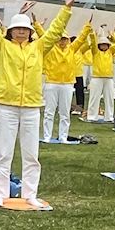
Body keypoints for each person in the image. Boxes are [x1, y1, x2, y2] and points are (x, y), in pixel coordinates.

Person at [0, 0, 74, 208]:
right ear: (10, 31)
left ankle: (30, 194)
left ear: (30, 32)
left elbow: (55, 32)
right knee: (4, 153)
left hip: (31, 107)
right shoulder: (1, 46)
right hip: (7, 106)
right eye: (18, 29)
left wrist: (66, 9)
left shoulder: (38, 47)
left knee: (31, 155)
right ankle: (0, 193)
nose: (21, 32)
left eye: (25, 29)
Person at [37, 10, 85, 143]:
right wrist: (36, 24)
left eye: (64, 39)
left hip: (68, 84)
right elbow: (43, 35)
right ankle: (47, 137)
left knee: (64, 113)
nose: (62, 41)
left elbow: (81, 39)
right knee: (49, 112)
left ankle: (63, 137)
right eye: (60, 38)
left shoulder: (72, 49)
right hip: (51, 83)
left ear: (67, 39)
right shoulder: (51, 49)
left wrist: (88, 27)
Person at [83, 24, 115, 123]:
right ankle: (92, 116)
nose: (104, 46)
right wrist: (92, 33)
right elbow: (93, 43)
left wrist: (114, 37)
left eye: (106, 44)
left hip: (109, 78)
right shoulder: (96, 52)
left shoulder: (111, 52)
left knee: (109, 98)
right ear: (99, 45)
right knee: (94, 97)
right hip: (97, 77)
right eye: (102, 44)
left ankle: (109, 117)